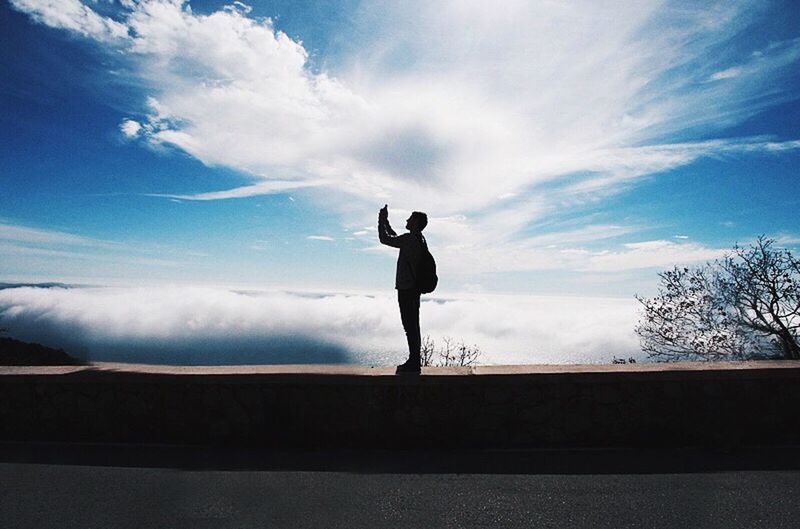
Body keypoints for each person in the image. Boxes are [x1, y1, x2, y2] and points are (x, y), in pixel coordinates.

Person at [378, 204, 428, 374]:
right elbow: (395, 237)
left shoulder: (409, 239)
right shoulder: (419, 239)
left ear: (415, 223)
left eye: (410, 218)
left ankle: (414, 362)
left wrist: (380, 221)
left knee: (410, 326)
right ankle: (415, 359)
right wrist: (386, 222)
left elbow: (386, 239)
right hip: (414, 289)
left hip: (407, 289)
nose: (407, 220)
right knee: (414, 325)